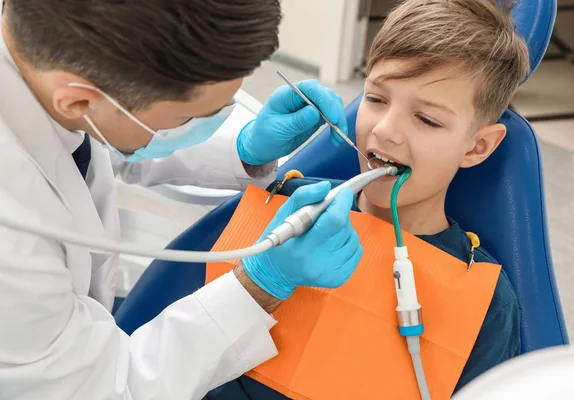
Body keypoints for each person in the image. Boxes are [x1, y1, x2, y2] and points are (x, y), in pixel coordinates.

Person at [0, 1, 364, 399]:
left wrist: (246, 149)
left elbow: (103, 139)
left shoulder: (53, 73)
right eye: (187, 121)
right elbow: (104, 388)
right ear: (78, 102)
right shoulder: (13, 243)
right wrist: (260, 284)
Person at [207, 0, 530, 398]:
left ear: (477, 146)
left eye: (427, 119)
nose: (385, 130)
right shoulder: (286, 210)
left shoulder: (483, 301)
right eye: (376, 99)